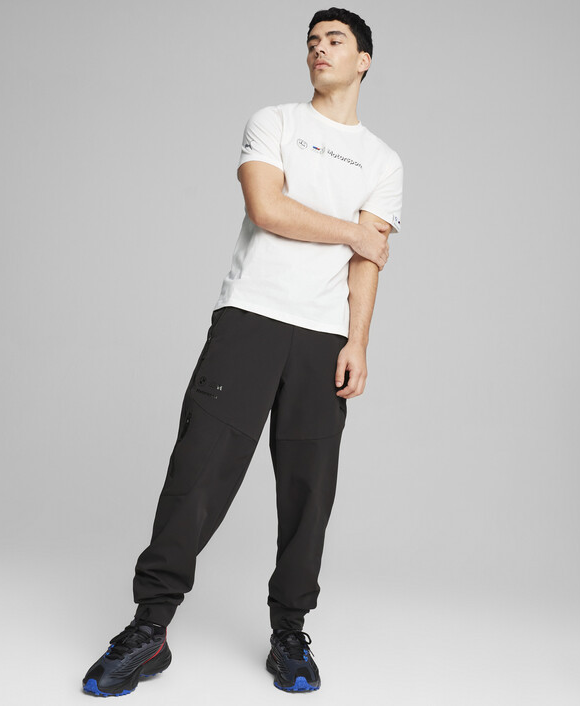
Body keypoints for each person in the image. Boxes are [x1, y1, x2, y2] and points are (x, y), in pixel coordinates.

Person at [82, 6, 403, 696]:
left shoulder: (383, 161)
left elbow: (369, 261)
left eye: (335, 40)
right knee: (197, 471)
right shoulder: (275, 122)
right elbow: (268, 208)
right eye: (312, 41)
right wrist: (353, 232)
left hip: (323, 337)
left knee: (310, 491)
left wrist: (358, 342)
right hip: (250, 318)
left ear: (364, 60)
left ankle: (290, 632)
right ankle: (150, 628)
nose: (319, 49)